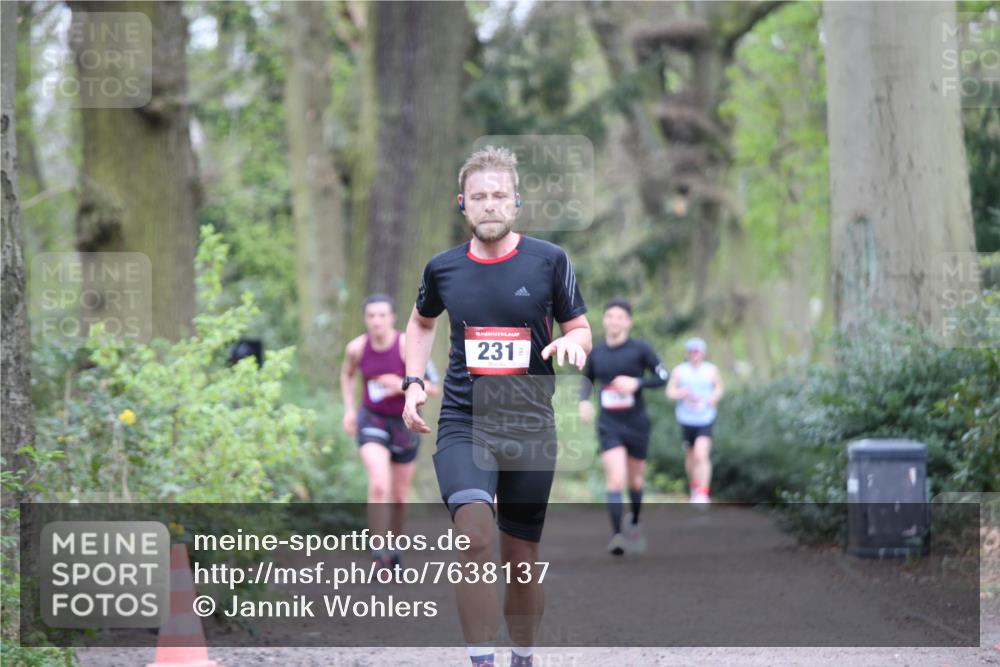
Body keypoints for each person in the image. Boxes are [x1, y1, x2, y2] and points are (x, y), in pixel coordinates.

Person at [402, 146, 591, 667]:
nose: (490, 204)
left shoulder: (549, 261)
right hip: (465, 421)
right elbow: (420, 322)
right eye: (479, 196)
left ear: (516, 202)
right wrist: (413, 381)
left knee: (521, 558)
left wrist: (573, 343)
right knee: (472, 537)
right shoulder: (443, 269)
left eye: (499, 195)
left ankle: (522, 656)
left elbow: (580, 327)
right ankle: (481, 659)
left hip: (530, 424)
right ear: (462, 203)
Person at [341, 294, 440, 568]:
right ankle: (377, 554)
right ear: (365, 318)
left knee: (398, 495)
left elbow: (433, 387)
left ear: (393, 318)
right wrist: (349, 410)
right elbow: (347, 375)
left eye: (382, 315)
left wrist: (400, 385)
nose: (376, 321)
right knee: (378, 483)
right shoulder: (357, 348)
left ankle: (394, 549)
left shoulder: (408, 346)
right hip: (372, 420)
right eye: (371, 315)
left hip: (405, 423)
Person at [579, 298, 668, 555]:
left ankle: (635, 520)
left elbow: (663, 376)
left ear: (628, 322)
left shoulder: (641, 349)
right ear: (604, 320)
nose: (614, 321)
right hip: (609, 424)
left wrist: (637, 383)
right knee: (615, 480)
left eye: (620, 317)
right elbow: (586, 381)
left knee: (635, 481)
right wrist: (584, 402)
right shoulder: (597, 352)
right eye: (610, 316)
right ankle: (617, 536)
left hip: (636, 423)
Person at [665, 337, 723, 503]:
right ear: (688, 353)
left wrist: (713, 397)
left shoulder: (711, 370)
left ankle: (703, 493)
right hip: (686, 419)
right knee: (691, 455)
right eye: (692, 352)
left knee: (701, 454)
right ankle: (695, 487)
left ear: (703, 353)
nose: (695, 355)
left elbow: (719, 388)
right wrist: (681, 393)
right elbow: (670, 392)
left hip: (705, 418)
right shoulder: (680, 371)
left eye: (697, 352)